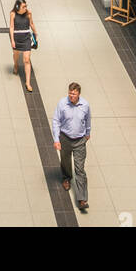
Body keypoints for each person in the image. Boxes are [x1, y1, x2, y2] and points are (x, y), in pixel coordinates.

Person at [52, 83, 91, 212]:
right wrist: (57, 139)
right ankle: (66, 178)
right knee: (66, 162)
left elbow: (88, 119)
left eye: (74, 94)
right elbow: (56, 121)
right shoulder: (62, 104)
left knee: (80, 169)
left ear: (79, 94)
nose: (71, 96)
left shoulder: (85, 105)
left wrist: (87, 133)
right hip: (65, 138)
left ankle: (82, 199)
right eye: (70, 93)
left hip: (80, 141)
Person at [10, 0, 35, 91]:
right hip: (17, 38)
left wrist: (35, 33)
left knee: (27, 60)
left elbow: (31, 24)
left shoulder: (28, 13)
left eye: (26, 6)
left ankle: (28, 83)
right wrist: (12, 40)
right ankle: (16, 64)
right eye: (23, 7)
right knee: (16, 55)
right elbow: (11, 27)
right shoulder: (13, 14)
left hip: (26, 39)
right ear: (18, 7)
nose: (25, 8)